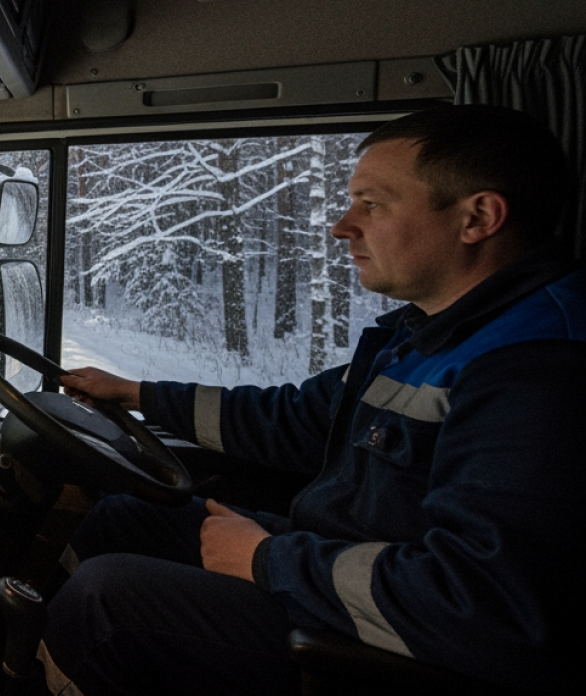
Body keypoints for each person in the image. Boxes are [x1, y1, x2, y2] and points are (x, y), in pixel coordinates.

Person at [41, 104, 586, 696]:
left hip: (391, 651)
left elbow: (486, 604)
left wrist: (268, 559)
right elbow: (298, 419)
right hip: (347, 565)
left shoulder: (539, 365)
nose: (341, 226)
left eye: (372, 205)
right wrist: (138, 394)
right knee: (127, 516)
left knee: (105, 600)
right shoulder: (427, 332)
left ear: (477, 216)